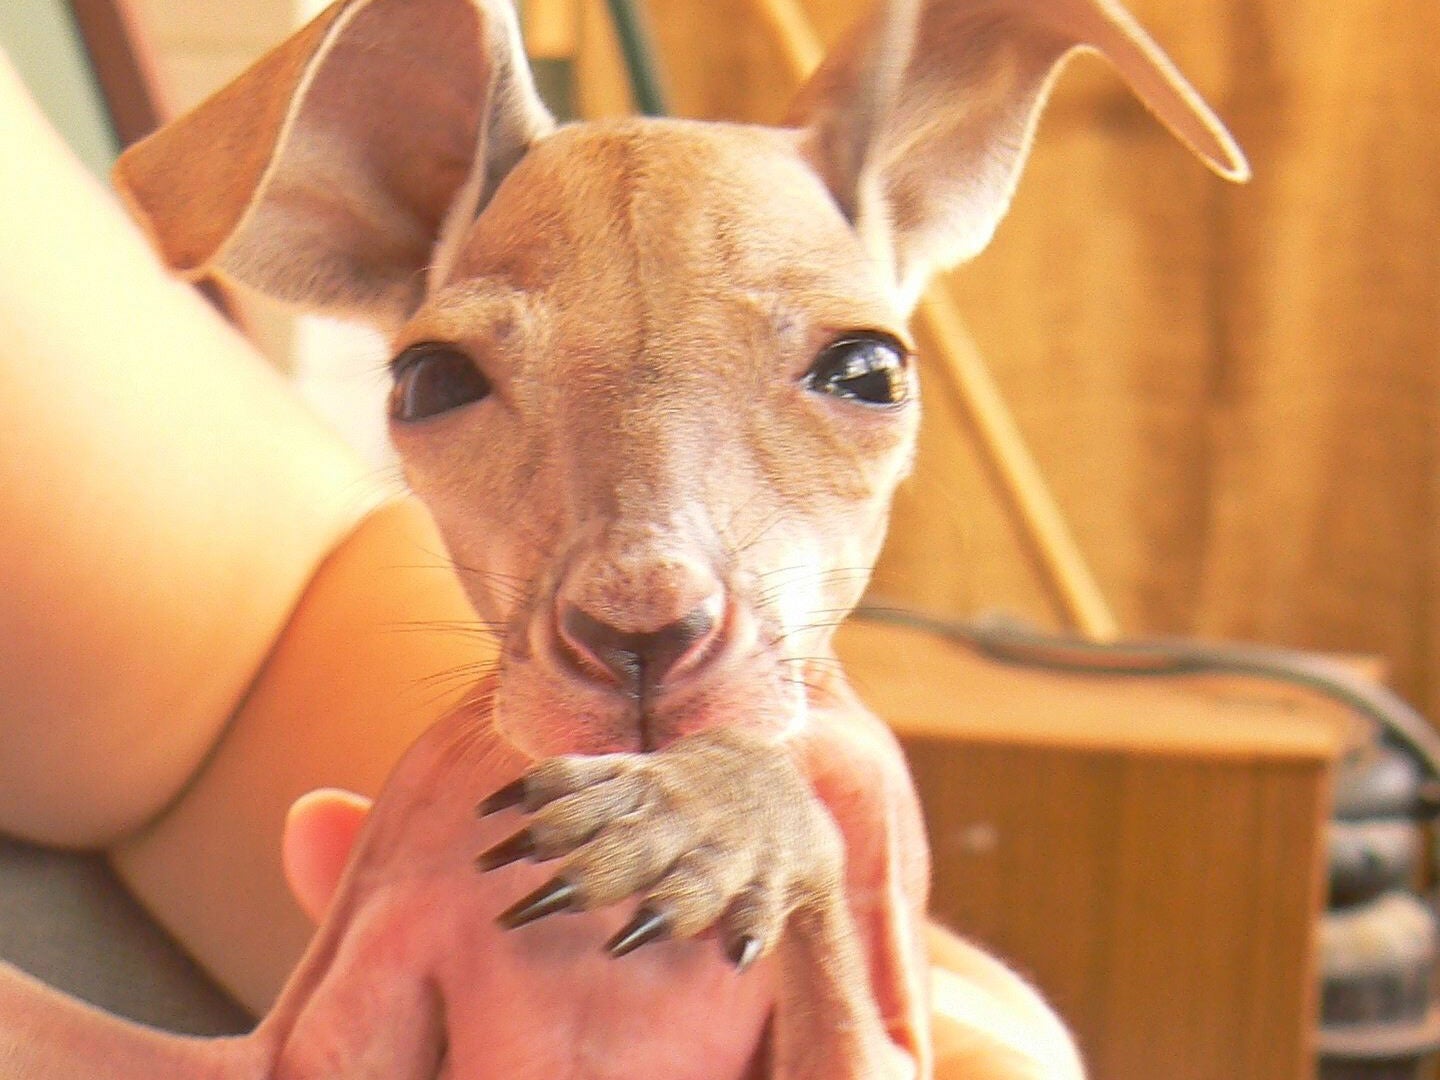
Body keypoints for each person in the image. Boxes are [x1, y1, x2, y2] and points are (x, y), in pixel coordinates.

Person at [0, 50, 1081, 1077]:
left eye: (855, 374)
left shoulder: (806, 762)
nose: (643, 589)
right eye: (448, 386)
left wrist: (972, 1038)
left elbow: (257, 651)